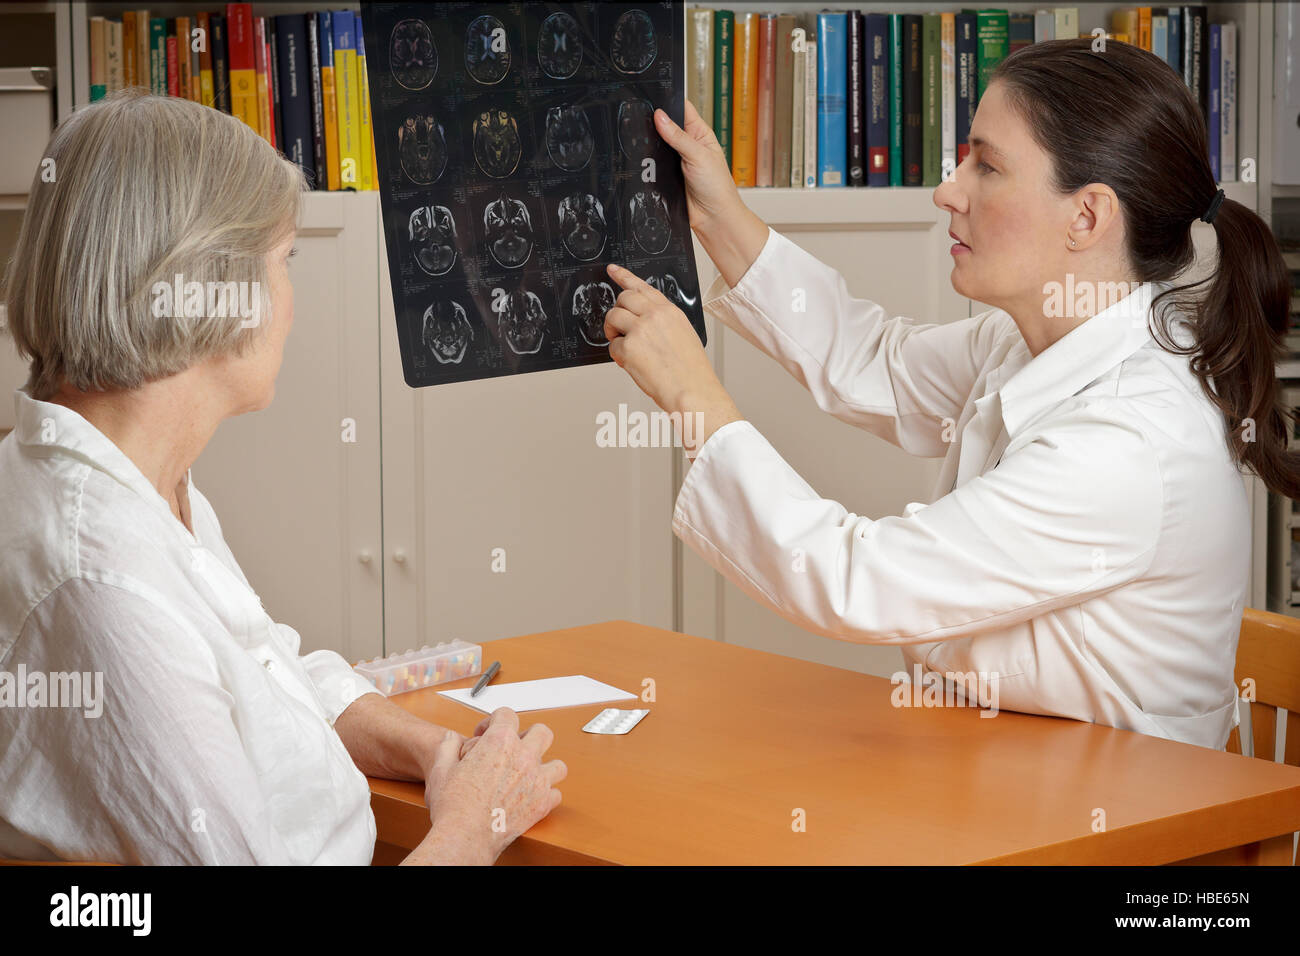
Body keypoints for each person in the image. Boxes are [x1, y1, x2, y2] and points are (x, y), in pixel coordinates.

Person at [602, 37, 1300, 750]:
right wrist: (719, 215)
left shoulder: (1129, 442)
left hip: (1113, 825)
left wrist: (694, 398)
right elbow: (876, 361)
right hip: (995, 762)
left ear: (1087, 217)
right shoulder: (1044, 338)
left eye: (987, 166)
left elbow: (859, 580)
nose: (948, 190)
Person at [0, 89, 565, 864]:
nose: (292, 303)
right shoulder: (105, 584)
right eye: (284, 261)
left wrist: (433, 752)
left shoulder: (129, 477)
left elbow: (265, 672)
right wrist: (474, 824)